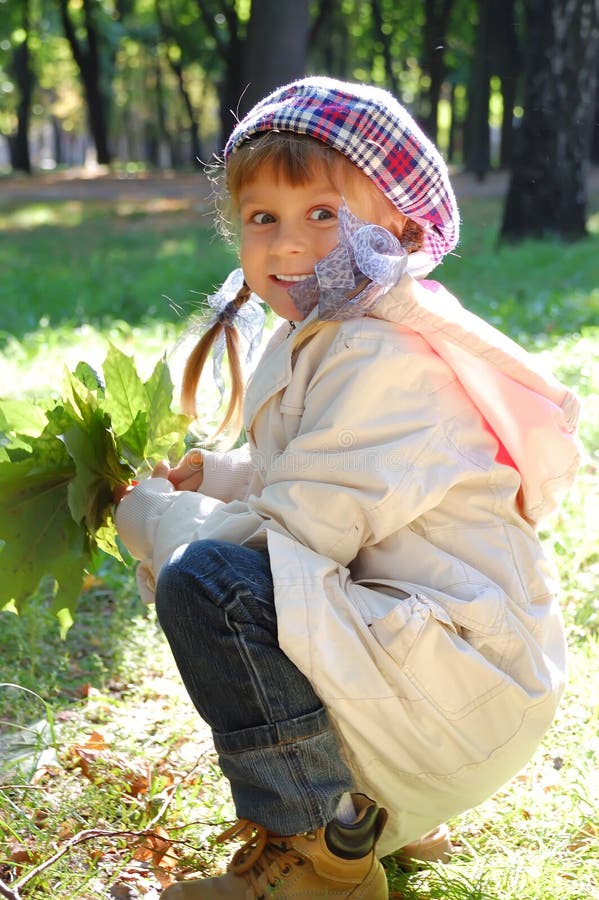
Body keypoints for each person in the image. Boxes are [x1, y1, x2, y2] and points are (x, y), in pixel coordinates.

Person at [114, 77, 580, 899]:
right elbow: (325, 470)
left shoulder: (384, 356)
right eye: (262, 218)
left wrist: (159, 519)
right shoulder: (332, 331)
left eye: (322, 215)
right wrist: (222, 476)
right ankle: (383, 807)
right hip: (443, 670)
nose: (286, 246)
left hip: (460, 680)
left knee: (210, 589)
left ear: (398, 225)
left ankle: (316, 856)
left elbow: (303, 527)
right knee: (240, 578)